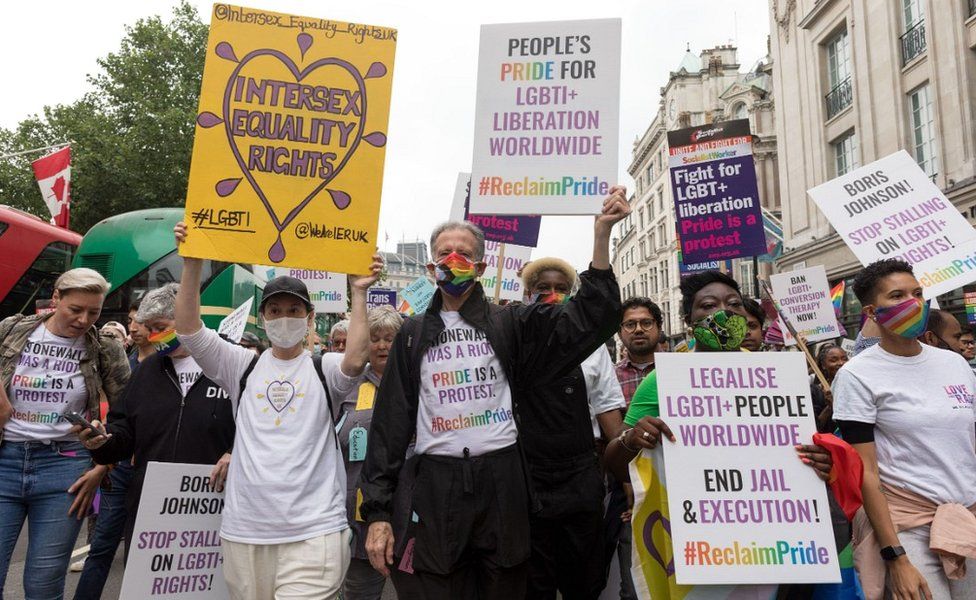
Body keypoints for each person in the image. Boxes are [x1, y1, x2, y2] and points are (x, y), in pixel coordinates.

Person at [360, 187, 629, 599]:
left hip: (502, 482)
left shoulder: (512, 323)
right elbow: (390, 426)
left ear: (481, 266)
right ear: (432, 267)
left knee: (505, 584)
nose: (454, 261)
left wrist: (601, 237)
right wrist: (378, 513)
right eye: (445, 253)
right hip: (437, 485)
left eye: (464, 254)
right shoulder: (412, 335)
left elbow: (590, 318)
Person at [174, 221, 382, 599]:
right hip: (245, 532)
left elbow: (356, 359)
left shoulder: (325, 369)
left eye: (293, 309)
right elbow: (189, 331)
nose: (284, 316)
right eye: (275, 309)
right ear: (264, 317)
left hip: (314, 530)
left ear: (308, 317)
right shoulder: (241, 365)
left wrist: (359, 292)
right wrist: (192, 264)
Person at [603, 270, 834, 598]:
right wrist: (632, 438)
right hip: (696, 537)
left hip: (769, 537)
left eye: (734, 304)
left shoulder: (774, 376)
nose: (723, 312)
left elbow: (799, 453)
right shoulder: (663, 379)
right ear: (689, 320)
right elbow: (613, 462)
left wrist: (819, 462)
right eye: (709, 305)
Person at [833, 259, 976, 600]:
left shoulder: (954, 364)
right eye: (896, 296)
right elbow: (865, 470)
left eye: (917, 293)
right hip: (906, 527)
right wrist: (895, 556)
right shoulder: (857, 375)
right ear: (871, 311)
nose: (912, 303)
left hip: (965, 519)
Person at [74, 284, 236, 574]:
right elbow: (124, 434)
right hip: (154, 504)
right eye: (148, 328)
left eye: (160, 327)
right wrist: (101, 442)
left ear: (188, 316)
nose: (152, 336)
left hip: (216, 504)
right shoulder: (147, 371)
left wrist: (234, 451)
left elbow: (260, 427)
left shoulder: (232, 361)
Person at [0, 268, 130, 600]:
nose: (84, 319)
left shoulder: (106, 347)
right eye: (76, 309)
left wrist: (101, 467)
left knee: (44, 585)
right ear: (56, 298)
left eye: (94, 312)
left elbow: (126, 418)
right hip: (5, 460)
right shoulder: (12, 330)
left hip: (66, 469)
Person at [518, 257, 627, 600]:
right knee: (535, 581)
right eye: (544, 289)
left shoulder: (593, 349)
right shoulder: (516, 341)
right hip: (528, 479)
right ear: (527, 295)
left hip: (581, 476)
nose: (553, 294)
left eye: (562, 289)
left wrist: (629, 481)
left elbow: (609, 415)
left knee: (584, 578)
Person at [338, 306, 421, 600]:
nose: (383, 345)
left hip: (413, 519)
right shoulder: (345, 387)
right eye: (375, 338)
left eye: (390, 337)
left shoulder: (420, 385)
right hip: (361, 520)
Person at [607, 296, 664, 600]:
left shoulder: (684, 370)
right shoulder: (609, 377)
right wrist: (625, 481)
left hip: (673, 483)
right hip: (624, 484)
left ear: (659, 327)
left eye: (646, 323)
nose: (638, 329)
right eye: (630, 324)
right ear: (620, 332)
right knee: (637, 579)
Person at [127, 300, 154, 367]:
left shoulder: (171, 361)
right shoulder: (125, 363)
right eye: (129, 321)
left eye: (139, 321)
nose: (132, 329)